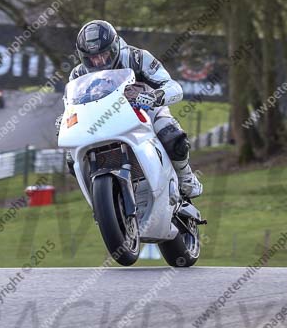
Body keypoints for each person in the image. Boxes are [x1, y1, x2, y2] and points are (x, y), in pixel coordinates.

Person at [58, 20, 203, 199]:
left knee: (171, 134)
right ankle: (100, 200)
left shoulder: (137, 57)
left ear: (115, 46)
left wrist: (155, 96)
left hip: (144, 110)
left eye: (105, 54)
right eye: (92, 58)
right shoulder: (77, 74)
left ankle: (186, 177)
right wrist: (64, 119)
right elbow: (70, 105)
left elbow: (173, 86)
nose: (99, 61)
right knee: (72, 159)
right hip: (99, 119)